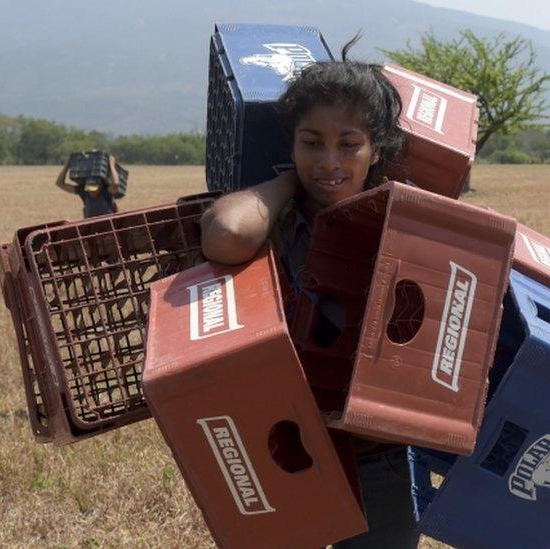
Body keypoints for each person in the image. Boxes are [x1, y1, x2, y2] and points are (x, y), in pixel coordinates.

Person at [200, 36, 417, 549]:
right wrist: (288, 185)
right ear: (290, 145)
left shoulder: (403, 225)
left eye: (349, 144)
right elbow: (227, 235)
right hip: (282, 444)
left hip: (375, 453)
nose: (328, 160)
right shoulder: (278, 220)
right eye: (311, 142)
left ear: (377, 149)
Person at [56, 153, 122, 218]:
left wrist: (111, 165)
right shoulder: (83, 191)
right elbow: (59, 183)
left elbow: (115, 183)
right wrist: (67, 164)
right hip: (91, 226)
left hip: (107, 225)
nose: (91, 192)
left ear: (101, 185)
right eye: (89, 189)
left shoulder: (106, 191)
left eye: (94, 189)